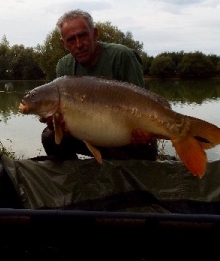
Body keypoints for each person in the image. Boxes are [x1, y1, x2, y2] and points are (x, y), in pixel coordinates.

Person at [41, 9, 158, 161]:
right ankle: (73, 179)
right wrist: (59, 124)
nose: (78, 44)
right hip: (91, 135)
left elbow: (143, 105)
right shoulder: (64, 66)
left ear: (94, 34)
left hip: (126, 140)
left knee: (141, 144)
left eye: (83, 36)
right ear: (64, 44)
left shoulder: (122, 56)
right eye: (71, 40)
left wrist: (145, 131)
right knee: (50, 136)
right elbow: (64, 118)